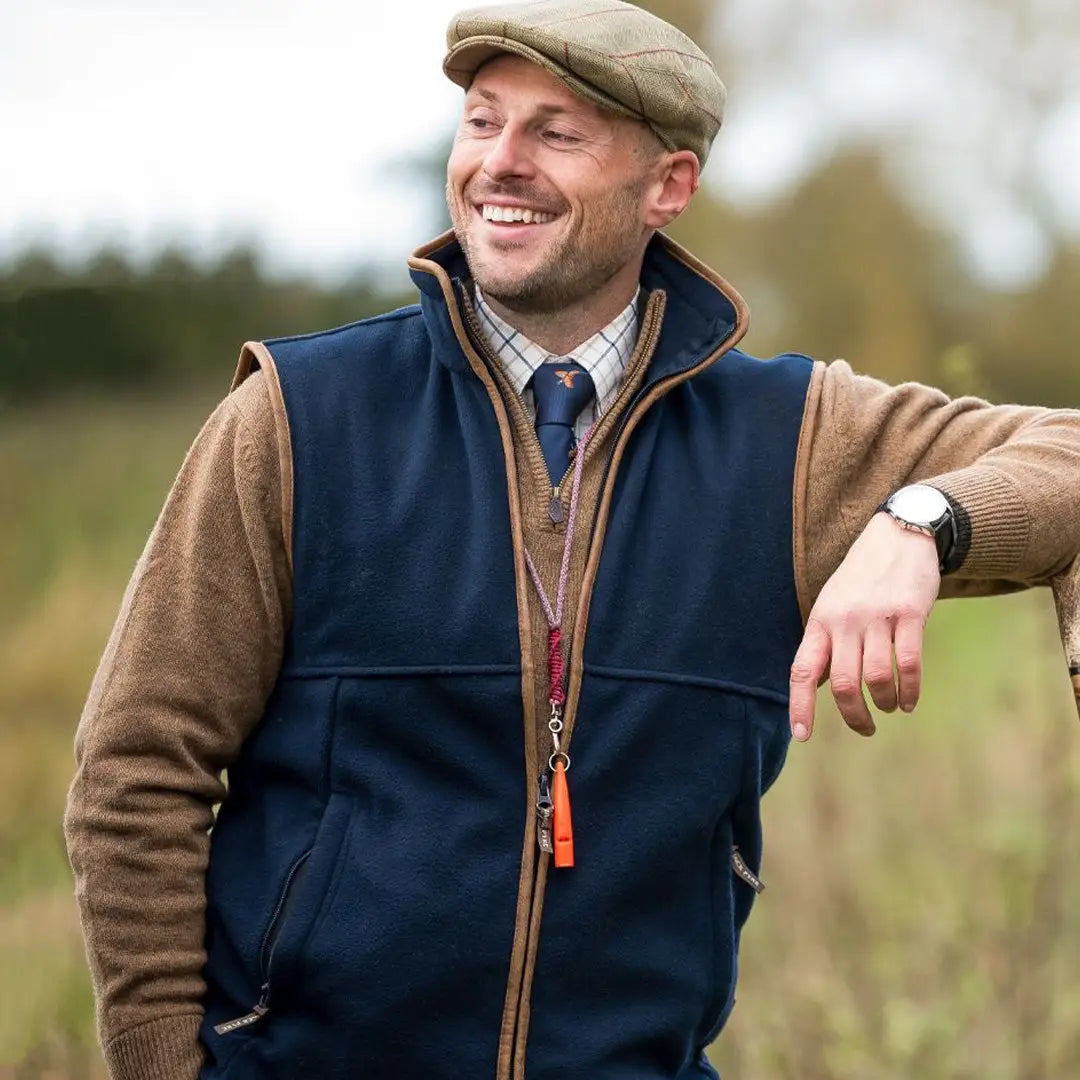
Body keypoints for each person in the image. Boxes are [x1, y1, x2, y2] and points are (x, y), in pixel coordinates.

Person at [64, 2, 1080, 1078]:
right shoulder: (298, 418)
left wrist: (917, 521)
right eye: (482, 121)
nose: (499, 164)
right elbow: (136, 769)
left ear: (668, 186)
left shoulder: (794, 441)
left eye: (556, 133)